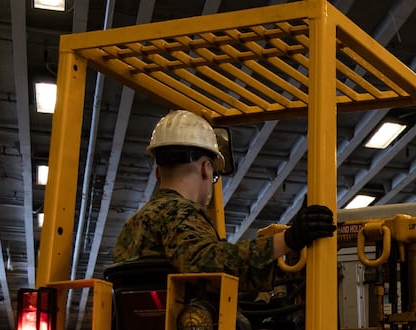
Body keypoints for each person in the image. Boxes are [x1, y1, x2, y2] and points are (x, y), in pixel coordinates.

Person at [113, 110, 336, 293]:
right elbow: (207, 266)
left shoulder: (132, 225)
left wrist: (288, 263)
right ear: (206, 168)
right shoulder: (180, 213)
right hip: (188, 329)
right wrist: (288, 239)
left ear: (158, 174)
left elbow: (226, 274)